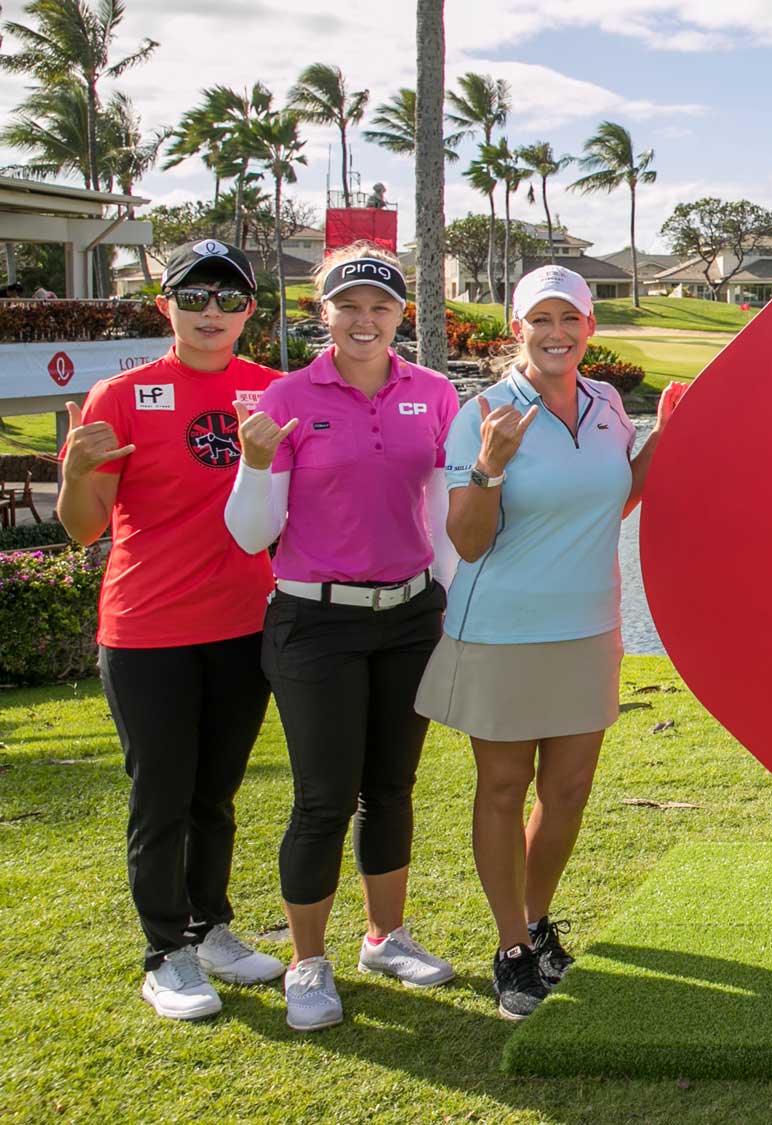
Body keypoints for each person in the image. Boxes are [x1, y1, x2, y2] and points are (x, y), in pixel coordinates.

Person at [414, 265, 676, 1020]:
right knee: (502, 788)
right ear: (517, 329)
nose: (556, 333)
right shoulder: (485, 411)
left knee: (566, 793)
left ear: (589, 328)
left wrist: (663, 442)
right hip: (501, 631)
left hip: (588, 626)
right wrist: (491, 466)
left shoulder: (607, 406)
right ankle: (510, 951)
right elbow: (468, 537)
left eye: (570, 319)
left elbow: (610, 498)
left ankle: (534, 921)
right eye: (541, 320)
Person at [223, 246, 462, 1031]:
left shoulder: (432, 394)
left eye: (381, 307)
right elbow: (253, 530)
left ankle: (384, 936)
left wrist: (448, 598)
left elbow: (440, 512)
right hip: (314, 618)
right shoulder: (286, 397)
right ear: (321, 312)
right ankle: (307, 961)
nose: (365, 321)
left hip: (408, 616)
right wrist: (255, 464)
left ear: (402, 315)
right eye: (348, 306)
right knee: (323, 797)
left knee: (390, 786)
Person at [57, 239, 287, 1020]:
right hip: (147, 627)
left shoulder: (272, 391)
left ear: (250, 310)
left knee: (215, 790)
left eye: (228, 298)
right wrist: (74, 473)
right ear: (167, 305)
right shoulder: (120, 397)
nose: (211, 312)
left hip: (243, 624)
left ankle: (210, 923)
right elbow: (83, 529)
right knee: (161, 793)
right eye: (193, 297)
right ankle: (166, 952)